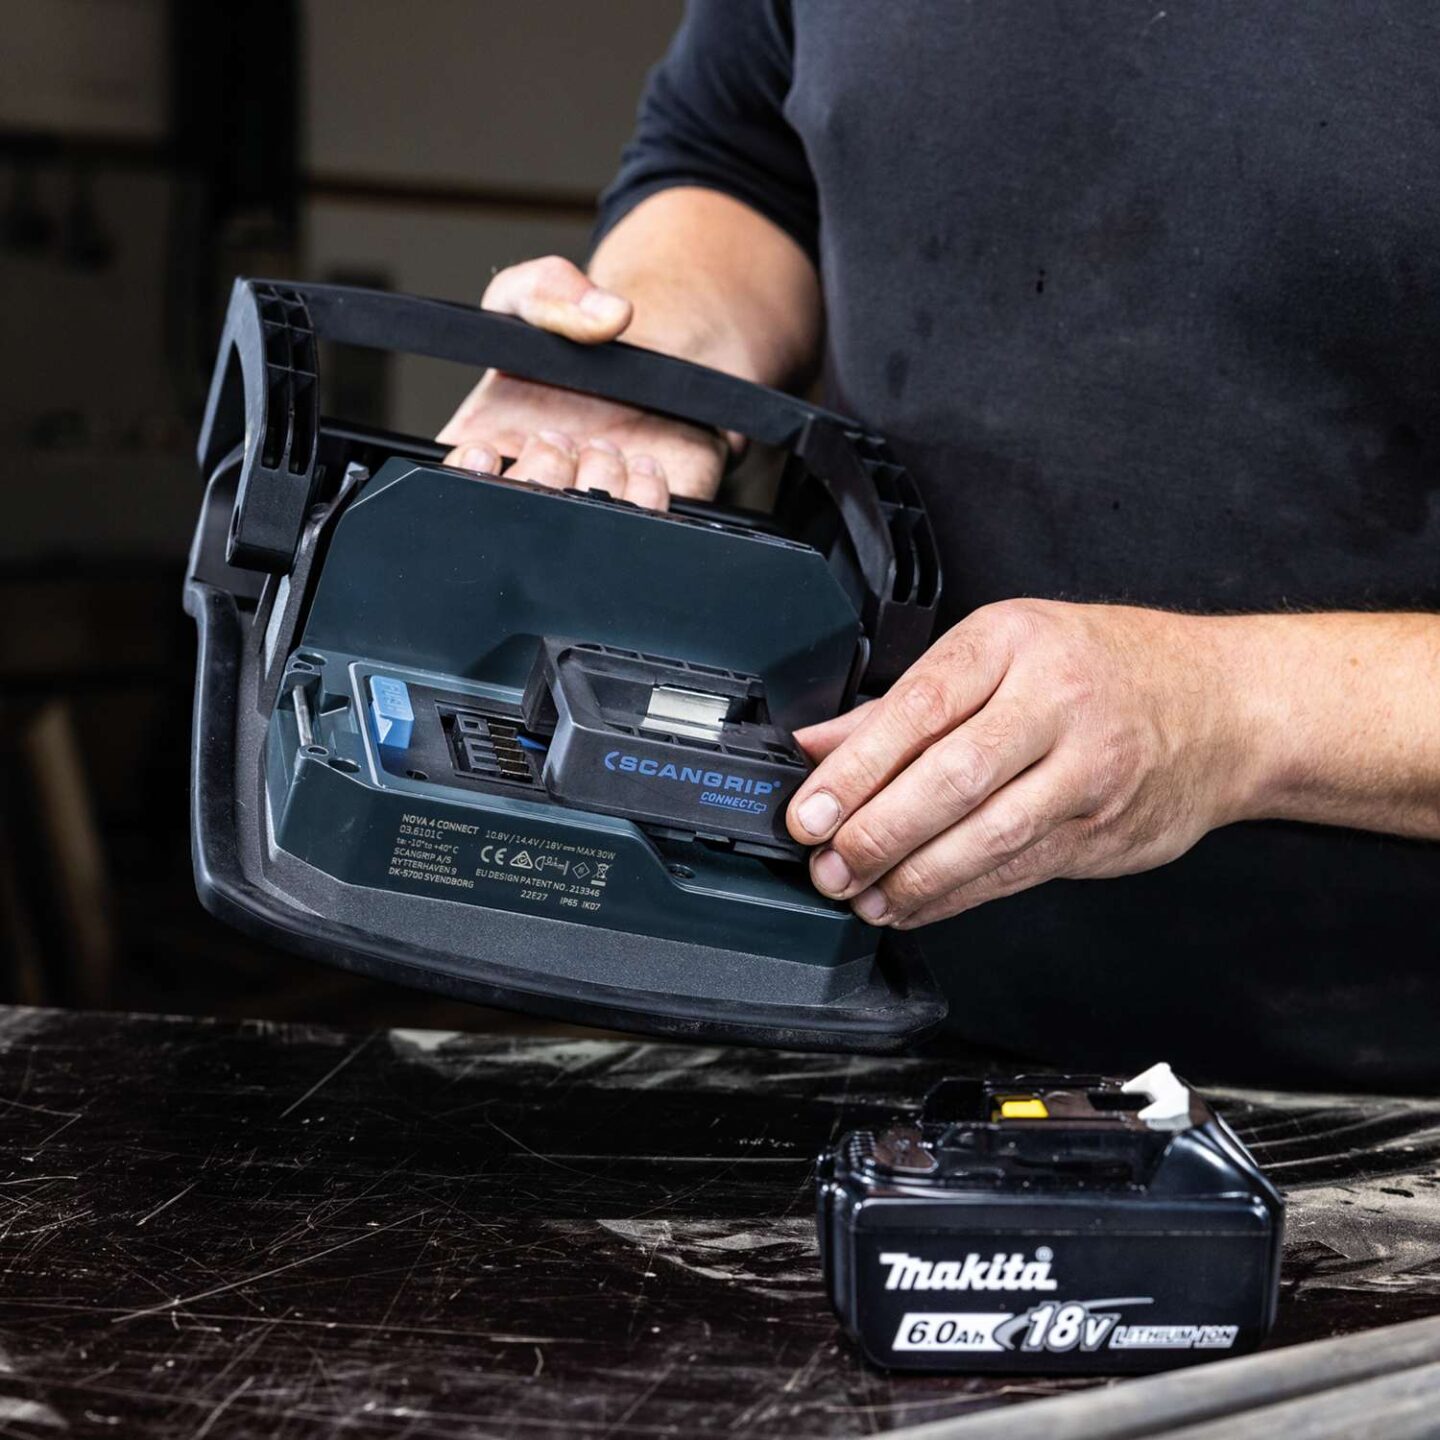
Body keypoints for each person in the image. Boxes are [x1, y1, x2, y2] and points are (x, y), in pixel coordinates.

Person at [438, 2, 1440, 1088]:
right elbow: (741, 163)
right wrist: (658, 360)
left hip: (1378, 1084)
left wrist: (1225, 711)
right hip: (839, 988)